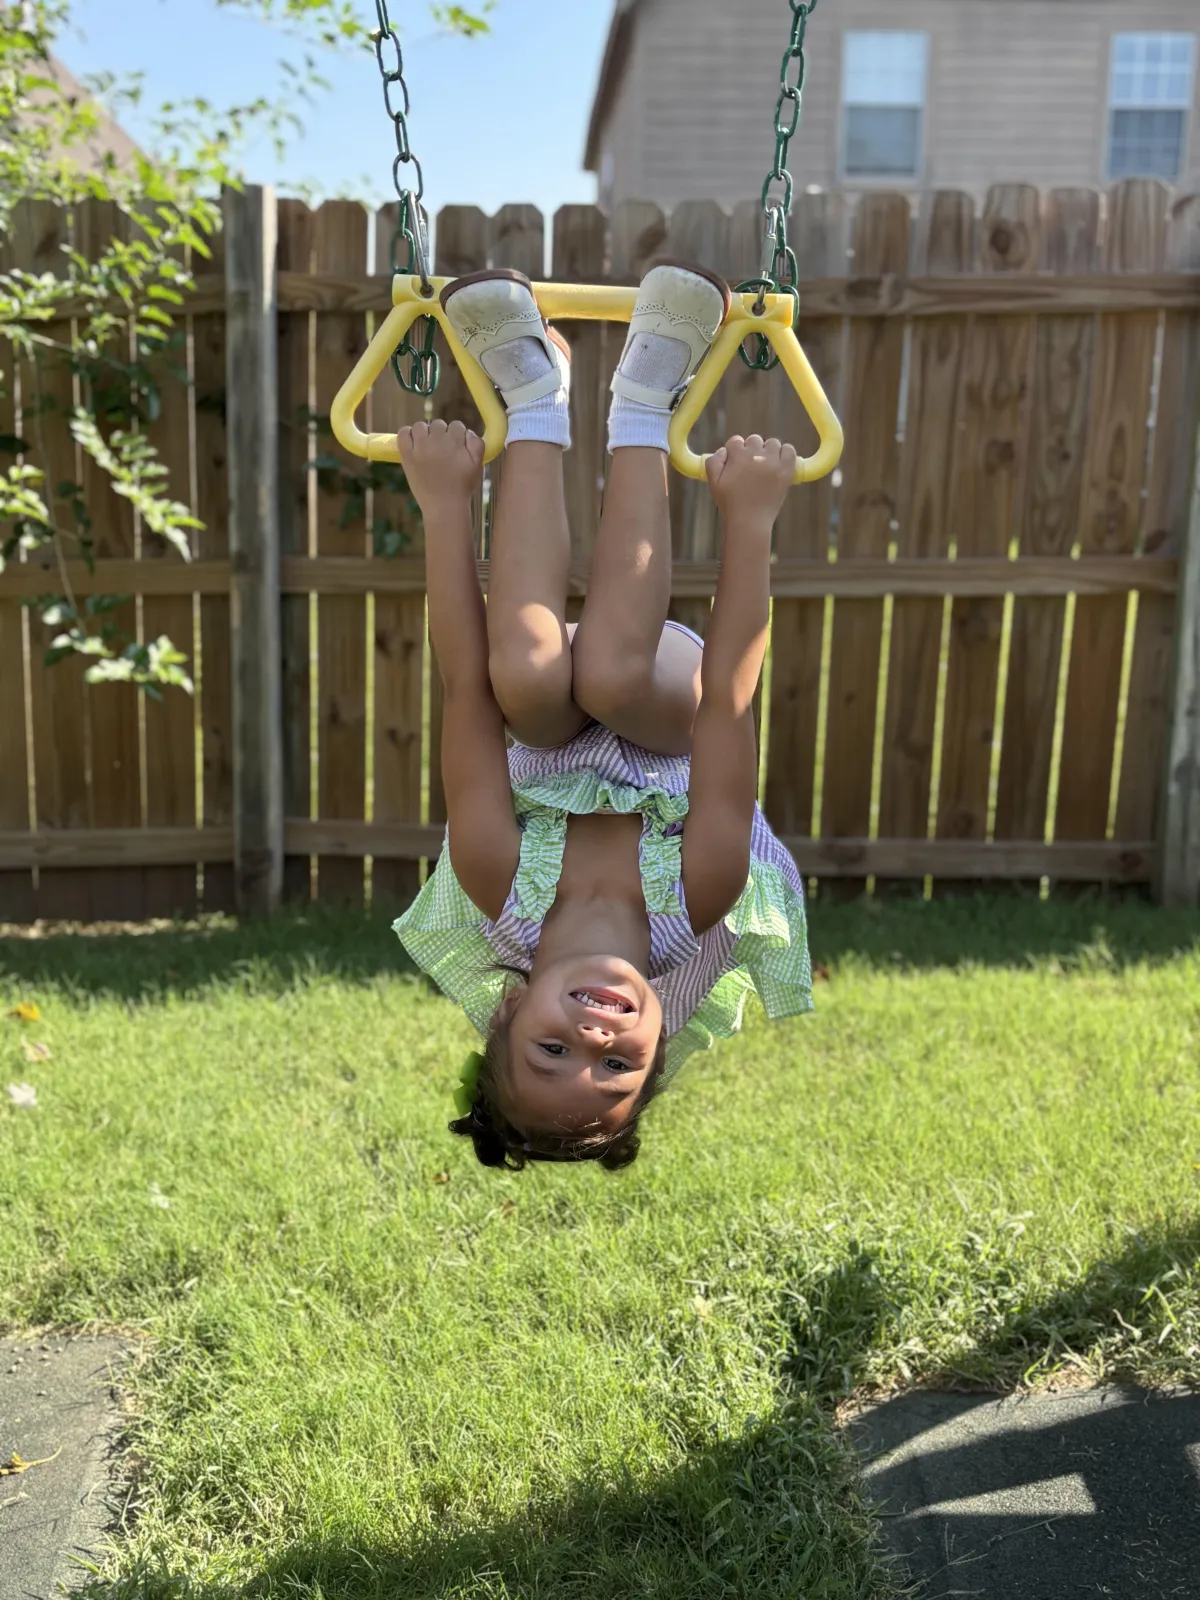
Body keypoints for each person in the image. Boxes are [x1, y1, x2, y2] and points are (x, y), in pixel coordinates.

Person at [394, 261, 812, 1171]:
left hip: (553, 712)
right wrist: (750, 525)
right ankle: (647, 395)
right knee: (612, 674)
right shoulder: (701, 901)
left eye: (554, 1050)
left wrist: (445, 507)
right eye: (618, 1064)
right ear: (661, 1037)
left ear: (507, 1011)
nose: (593, 1033)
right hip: (663, 701)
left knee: (529, 675)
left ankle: (532, 400)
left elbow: (465, 689)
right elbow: (729, 709)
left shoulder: (495, 885)